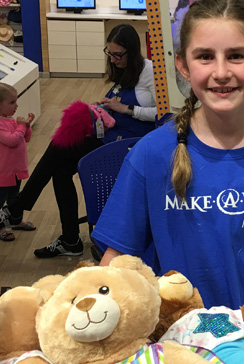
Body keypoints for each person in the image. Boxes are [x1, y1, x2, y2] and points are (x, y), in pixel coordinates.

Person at [92, 0, 244, 341]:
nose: (221, 71)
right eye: (205, 56)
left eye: (237, 55)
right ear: (182, 64)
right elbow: (116, 258)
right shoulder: (152, 153)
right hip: (172, 344)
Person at [0, 24, 157, 257]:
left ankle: (17, 208)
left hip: (132, 143)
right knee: (61, 169)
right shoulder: (123, 70)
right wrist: (104, 105)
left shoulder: (151, 71)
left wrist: (126, 109)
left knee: (59, 148)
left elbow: (162, 113)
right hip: (113, 133)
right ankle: (69, 240)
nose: (113, 60)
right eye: (110, 53)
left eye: (118, 55)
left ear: (132, 51)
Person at [0, 83, 35, 242]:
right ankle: (1, 226)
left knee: (16, 198)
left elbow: (25, 138)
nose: (16, 105)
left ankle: (15, 220)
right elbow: (12, 140)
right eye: (12, 102)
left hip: (16, 170)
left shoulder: (11, 120)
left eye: (16, 101)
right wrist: (21, 127)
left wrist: (26, 127)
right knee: (1, 200)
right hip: (3, 172)